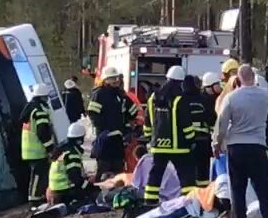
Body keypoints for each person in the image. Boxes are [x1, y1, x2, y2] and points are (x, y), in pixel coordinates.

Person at [214, 64, 268, 218]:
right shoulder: (266, 95)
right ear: (254, 77)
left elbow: (222, 123)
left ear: (238, 78)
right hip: (258, 146)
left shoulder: (232, 98)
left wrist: (216, 144)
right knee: (264, 189)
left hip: (236, 147)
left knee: (237, 191)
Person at [143, 66, 197, 205]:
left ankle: (150, 201)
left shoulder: (153, 98)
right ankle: (189, 202)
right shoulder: (180, 98)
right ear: (181, 82)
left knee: (155, 174)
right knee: (186, 175)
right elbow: (186, 123)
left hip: (158, 145)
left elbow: (148, 120)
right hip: (179, 146)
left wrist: (150, 138)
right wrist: (191, 139)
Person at [87, 66, 139, 179]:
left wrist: (127, 127)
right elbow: (93, 114)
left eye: (116, 78)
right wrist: (104, 130)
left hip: (119, 139)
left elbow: (133, 111)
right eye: (112, 78)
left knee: (118, 170)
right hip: (105, 139)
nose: (116, 80)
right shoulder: (99, 94)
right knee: (103, 169)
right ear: (105, 80)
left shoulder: (121, 95)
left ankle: (115, 194)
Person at [19, 84, 56, 205]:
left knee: (40, 174)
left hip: (30, 149)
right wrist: (50, 148)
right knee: (37, 175)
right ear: (43, 97)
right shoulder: (39, 111)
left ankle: (39, 197)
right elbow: (43, 132)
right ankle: (34, 200)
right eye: (46, 97)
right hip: (37, 150)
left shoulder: (30, 108)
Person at [49, 122, 96, 205]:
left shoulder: (63, 149)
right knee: (94, 192)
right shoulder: (72, 153)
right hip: (64, 192)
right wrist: (89, 185)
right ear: (79, 139)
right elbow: (75, 178)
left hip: (56, 190)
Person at [184, 75, 214, 191]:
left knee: (188, 170)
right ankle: (203, 195)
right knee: (203, 170)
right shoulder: (205, 100)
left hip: (186, 141)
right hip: (203, 140)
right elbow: (212, 120)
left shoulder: (181, 100)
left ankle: (189, 195)